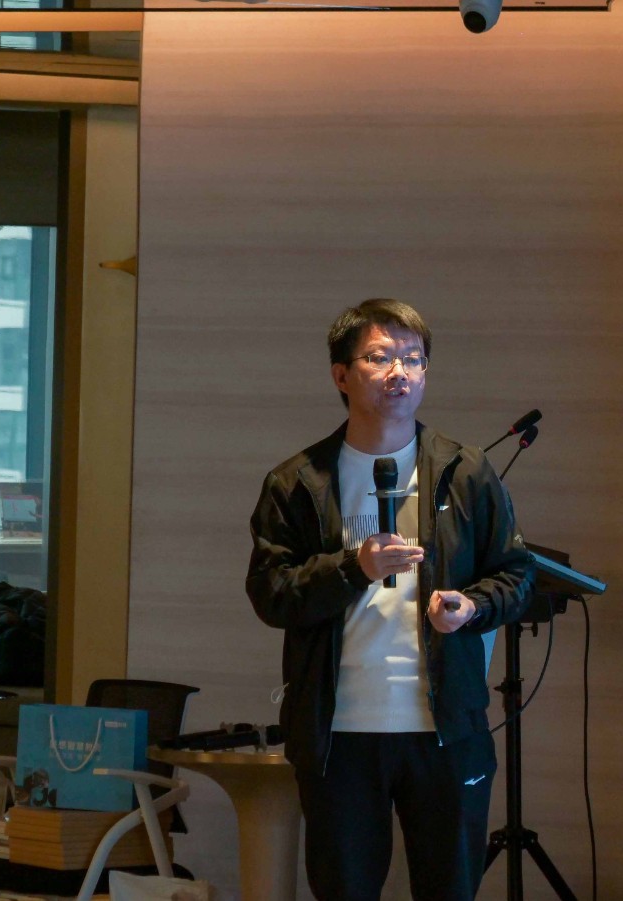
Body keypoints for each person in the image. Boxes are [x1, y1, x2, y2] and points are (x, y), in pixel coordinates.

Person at [246, 298, 534, 900]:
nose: (399, 372)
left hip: (445, 730)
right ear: (341, 374)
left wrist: (472, 608)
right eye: (379, 358)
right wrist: (354, 568)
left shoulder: (466, 473)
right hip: (340, 733)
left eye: (414, 358)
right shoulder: (298, 482)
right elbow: (272, 595)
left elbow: (516, 576)